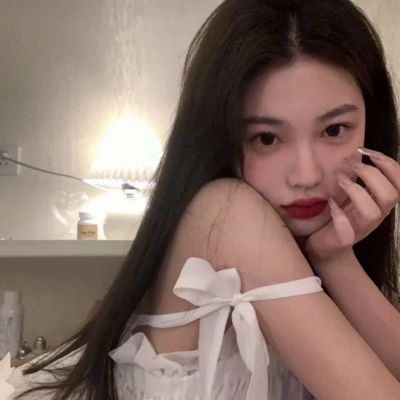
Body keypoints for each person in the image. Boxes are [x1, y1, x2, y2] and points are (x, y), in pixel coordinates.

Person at [6, 0, 400, 399]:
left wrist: (335, 261)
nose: (306, 176)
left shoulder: (298, 247)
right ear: (219, 136)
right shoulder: (225, 212)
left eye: (334, 130)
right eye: (266, 138)